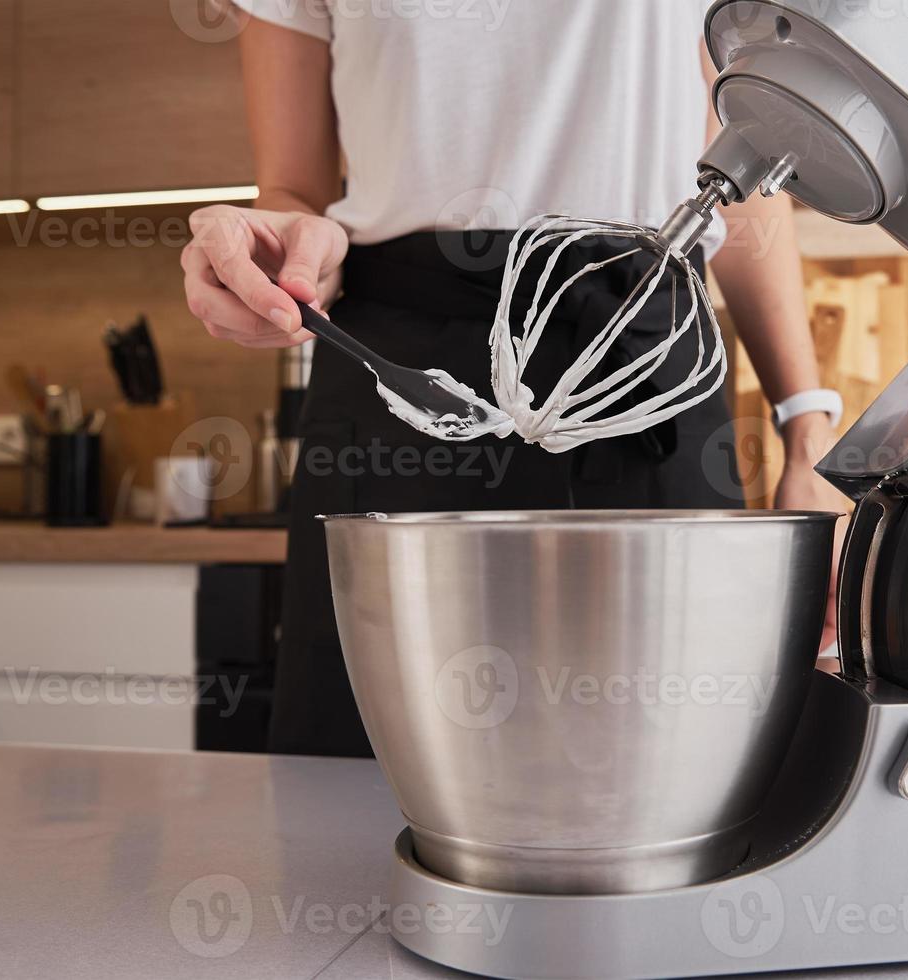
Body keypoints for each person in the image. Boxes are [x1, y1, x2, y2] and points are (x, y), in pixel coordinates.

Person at [182, 0, 847, 757]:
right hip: (403, 378)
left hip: (639, 372)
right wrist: (289, 256)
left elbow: (741, 182)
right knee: (366, 775)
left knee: (658, 762)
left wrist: (808, 435)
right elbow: (292, 188)